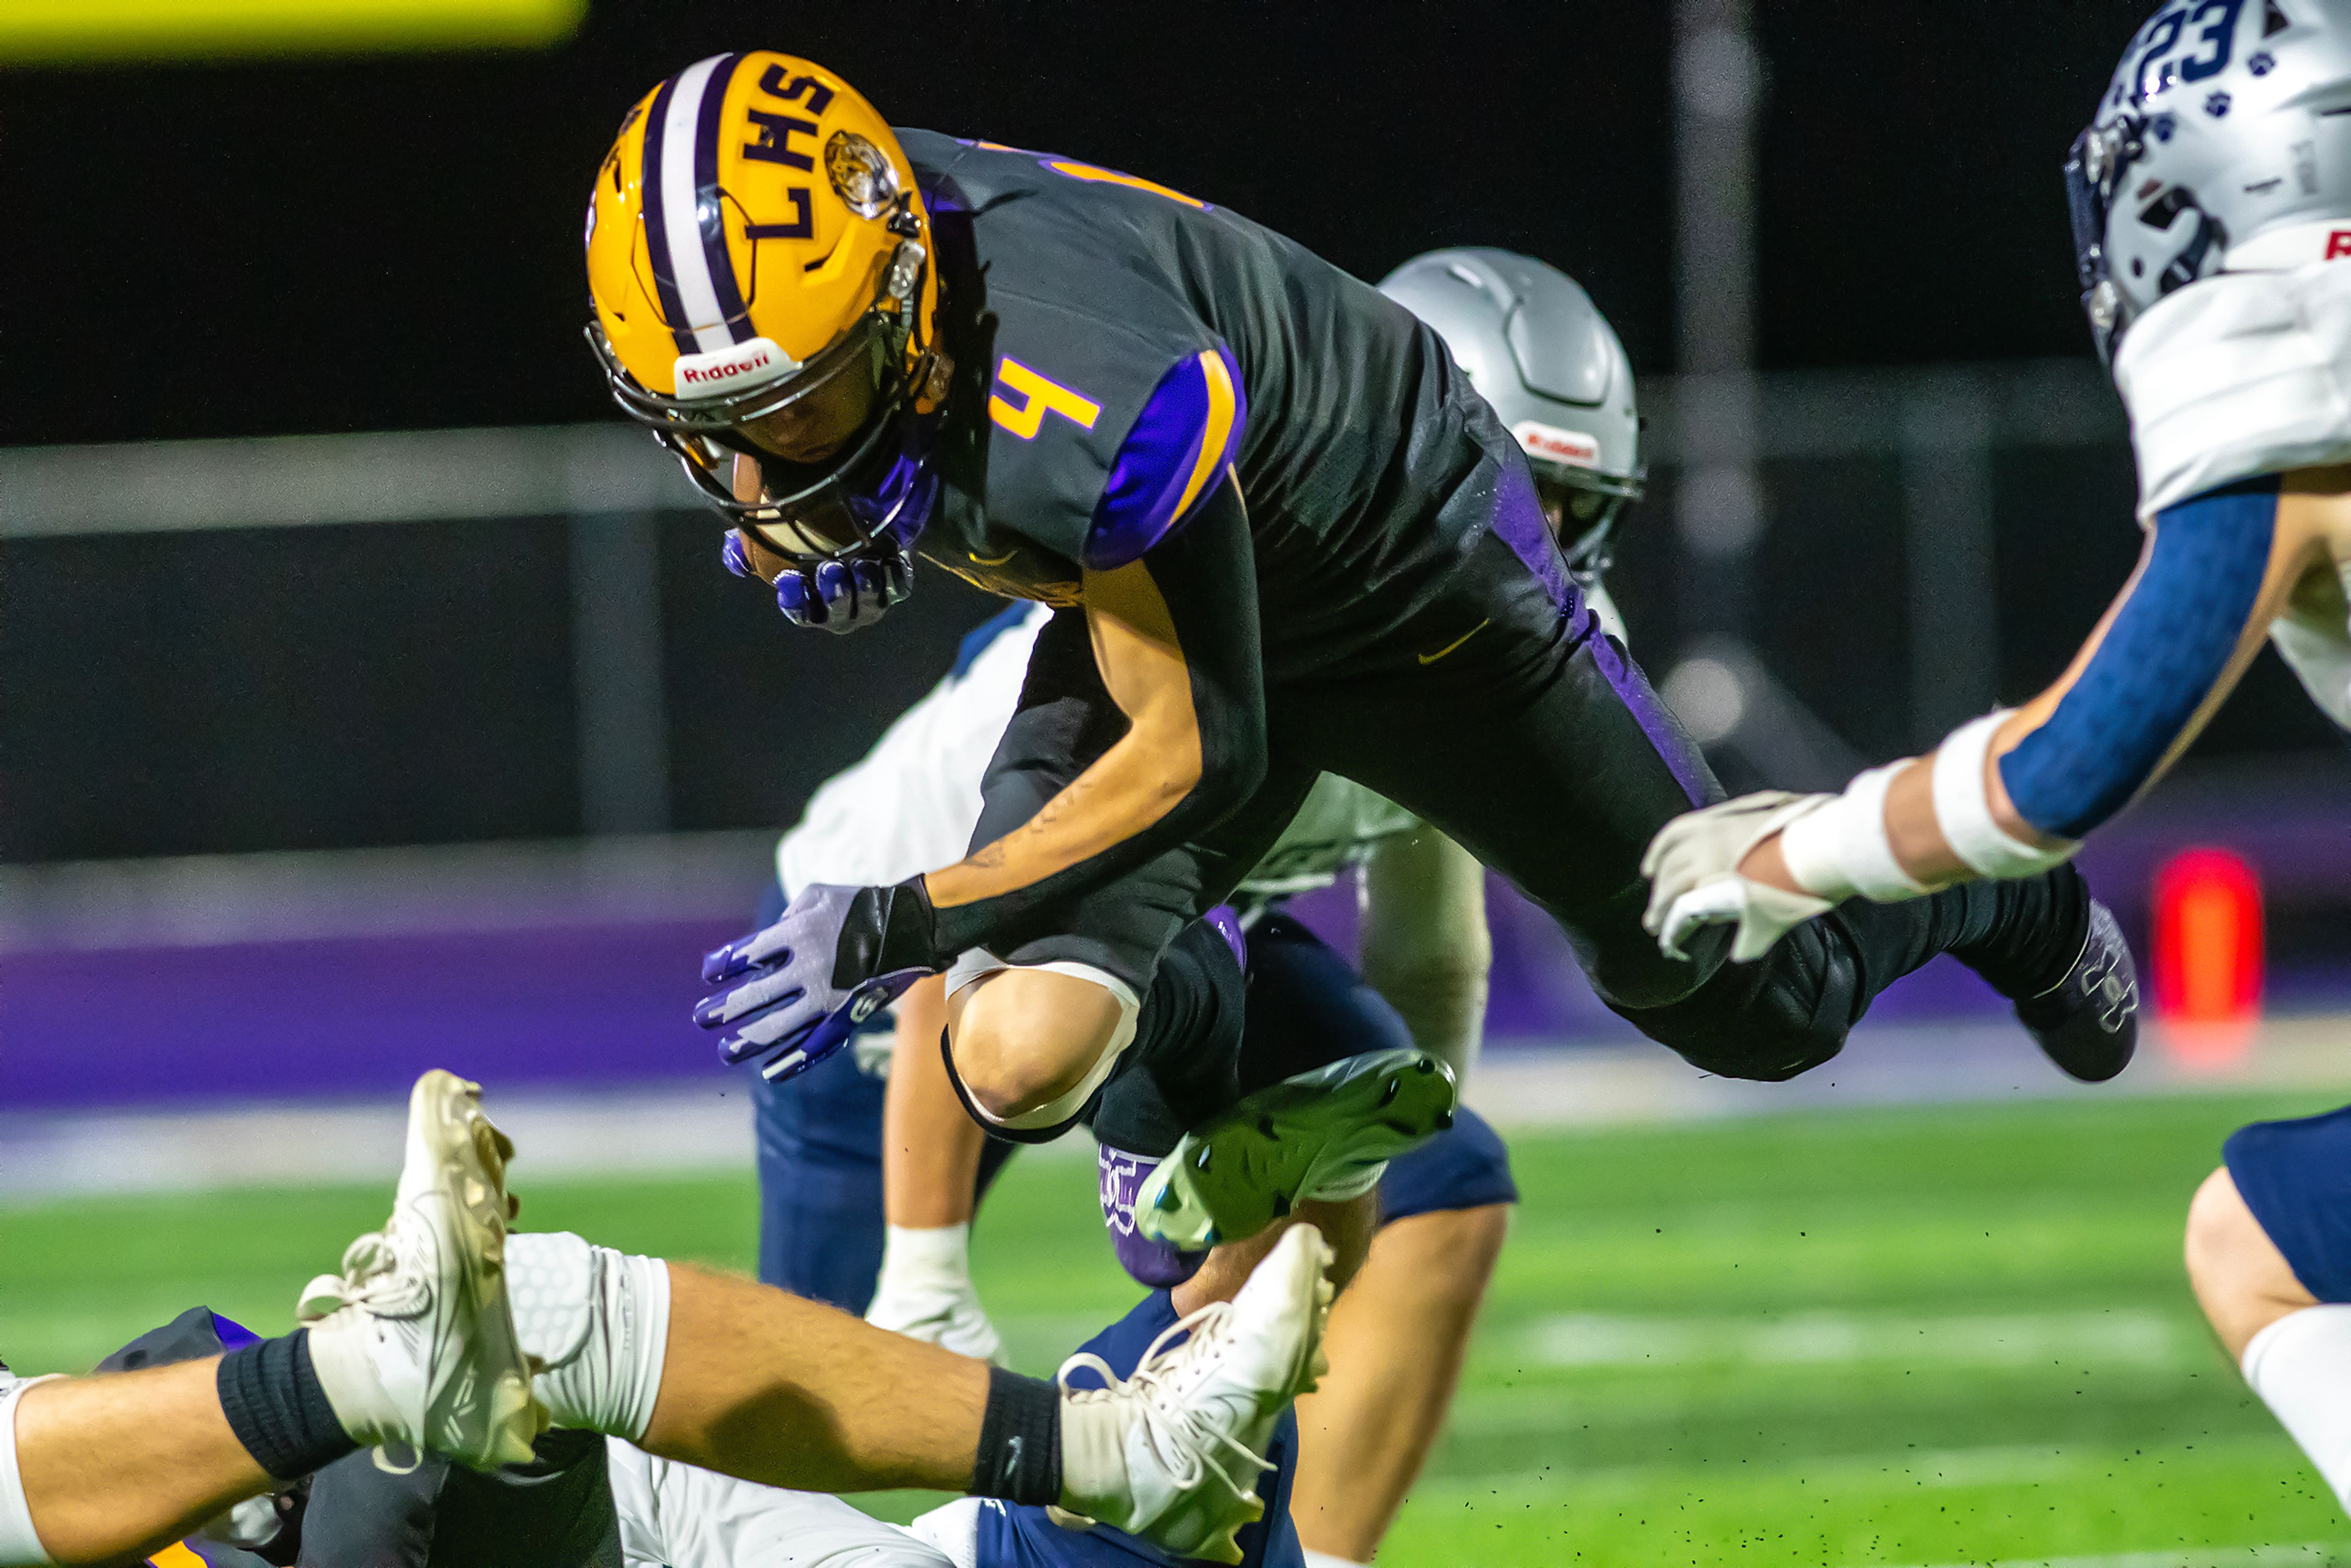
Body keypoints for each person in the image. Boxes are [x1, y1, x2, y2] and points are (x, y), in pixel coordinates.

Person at [585, 51, 2134, 1244]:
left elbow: (1207, 745)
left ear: (908, 303)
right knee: (1016, 1051)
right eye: (722, 434)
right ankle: (1204, 1069)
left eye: (799, 412)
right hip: (1166, 573)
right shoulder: (843, 302)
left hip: (1406, 571)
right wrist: (798, 503)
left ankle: (1994, 889)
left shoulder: (1081, 392)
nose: (773, 462)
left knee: (1747, 1003)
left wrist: (897, 918)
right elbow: (812, 417)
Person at [747, 246, 1619, 1564]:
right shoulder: (1160, 618)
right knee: (807, 1418)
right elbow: (955, 933)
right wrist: (925, 1279)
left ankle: (1283, 1543)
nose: (1530, 538)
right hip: (890, 955)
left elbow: (1430, 931)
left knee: (1436, 1181)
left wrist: (1404, 1139)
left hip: (1172, 939)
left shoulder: (1456, 645)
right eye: (1515, 491)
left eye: (1566, 505)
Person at [1630, 0, 2351, 1518]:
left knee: (2252, 1244)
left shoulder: (2304, 404)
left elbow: (2062, 775)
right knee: (2270, 1228)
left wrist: (1786, 861)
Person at [0, 1071, 1334, 1567]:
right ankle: (1118, 1456)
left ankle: (1131, 1456)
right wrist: (355, 1382)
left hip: (612, 1504)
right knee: (526, 1315)